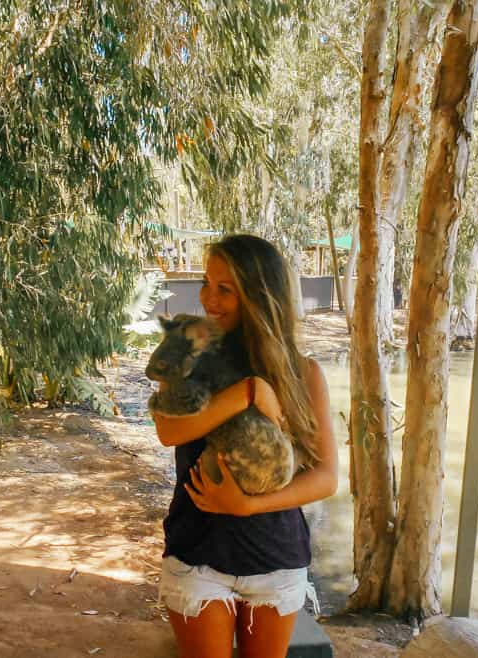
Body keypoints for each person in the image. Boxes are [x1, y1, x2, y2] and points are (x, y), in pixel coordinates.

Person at [151, 234, 339, 658]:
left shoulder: (303, 373)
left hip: (275, 557)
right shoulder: (190, 348)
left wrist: (247, 505)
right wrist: (249, 392)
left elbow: (326, 478)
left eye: (225, 289)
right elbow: (168, 430)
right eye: (206, 283)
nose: (208, 299)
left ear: (259, 296)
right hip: (199, 554)